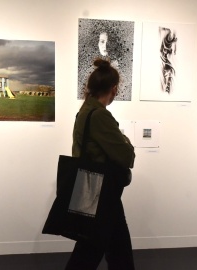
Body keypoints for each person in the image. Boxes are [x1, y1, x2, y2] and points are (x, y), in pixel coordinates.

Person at [65, 58, 136, 270]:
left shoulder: (85, 111)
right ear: (114, 89)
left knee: (116, 248)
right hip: (102, 194)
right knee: (91, 252)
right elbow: (127, 157)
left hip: (93, 190)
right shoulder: (99, 116)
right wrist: (126, 141)